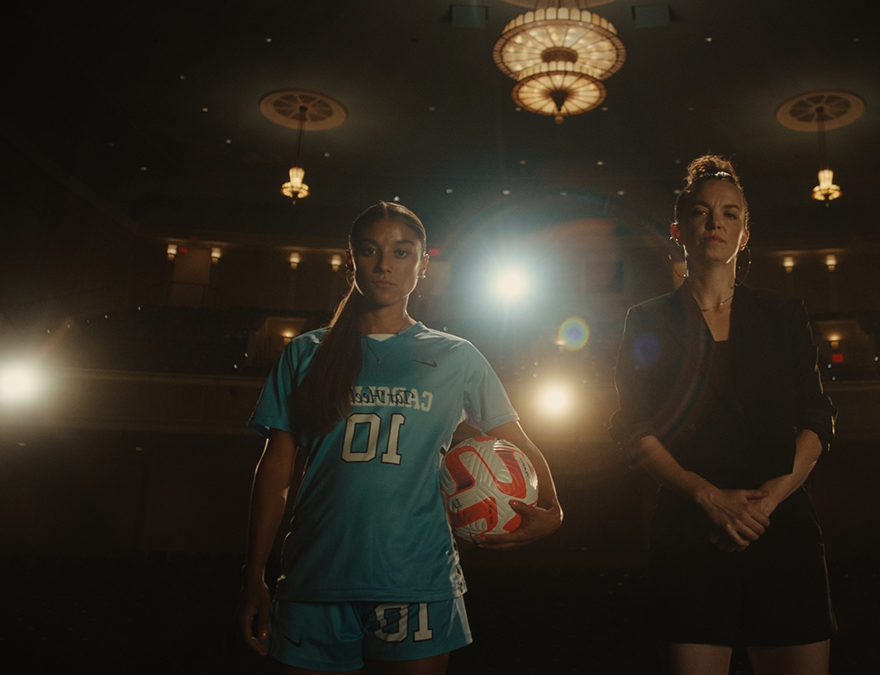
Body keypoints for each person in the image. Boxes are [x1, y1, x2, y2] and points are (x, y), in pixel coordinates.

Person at [237, 201, 563, 675]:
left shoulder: (457, 357)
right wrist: (254, 576)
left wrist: (554, 510)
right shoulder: (306, 353)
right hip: (315, 576)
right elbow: (276, 467)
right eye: (369, 251)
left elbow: (515, 441)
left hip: (417, 579)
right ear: (351, 260)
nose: (384, 264)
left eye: (402, 252)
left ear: (423, 265)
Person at [610, 155, 837, 675]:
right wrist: (707, 497)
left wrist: (770, 499)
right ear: (679, 229)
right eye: (701, 211)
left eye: (730, 213)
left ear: (745, 232)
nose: (716, 222)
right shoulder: (647, 319)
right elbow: (634, 428)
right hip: (690, 531)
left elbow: (816, 416)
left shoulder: (784, 316)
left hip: (780, 526)